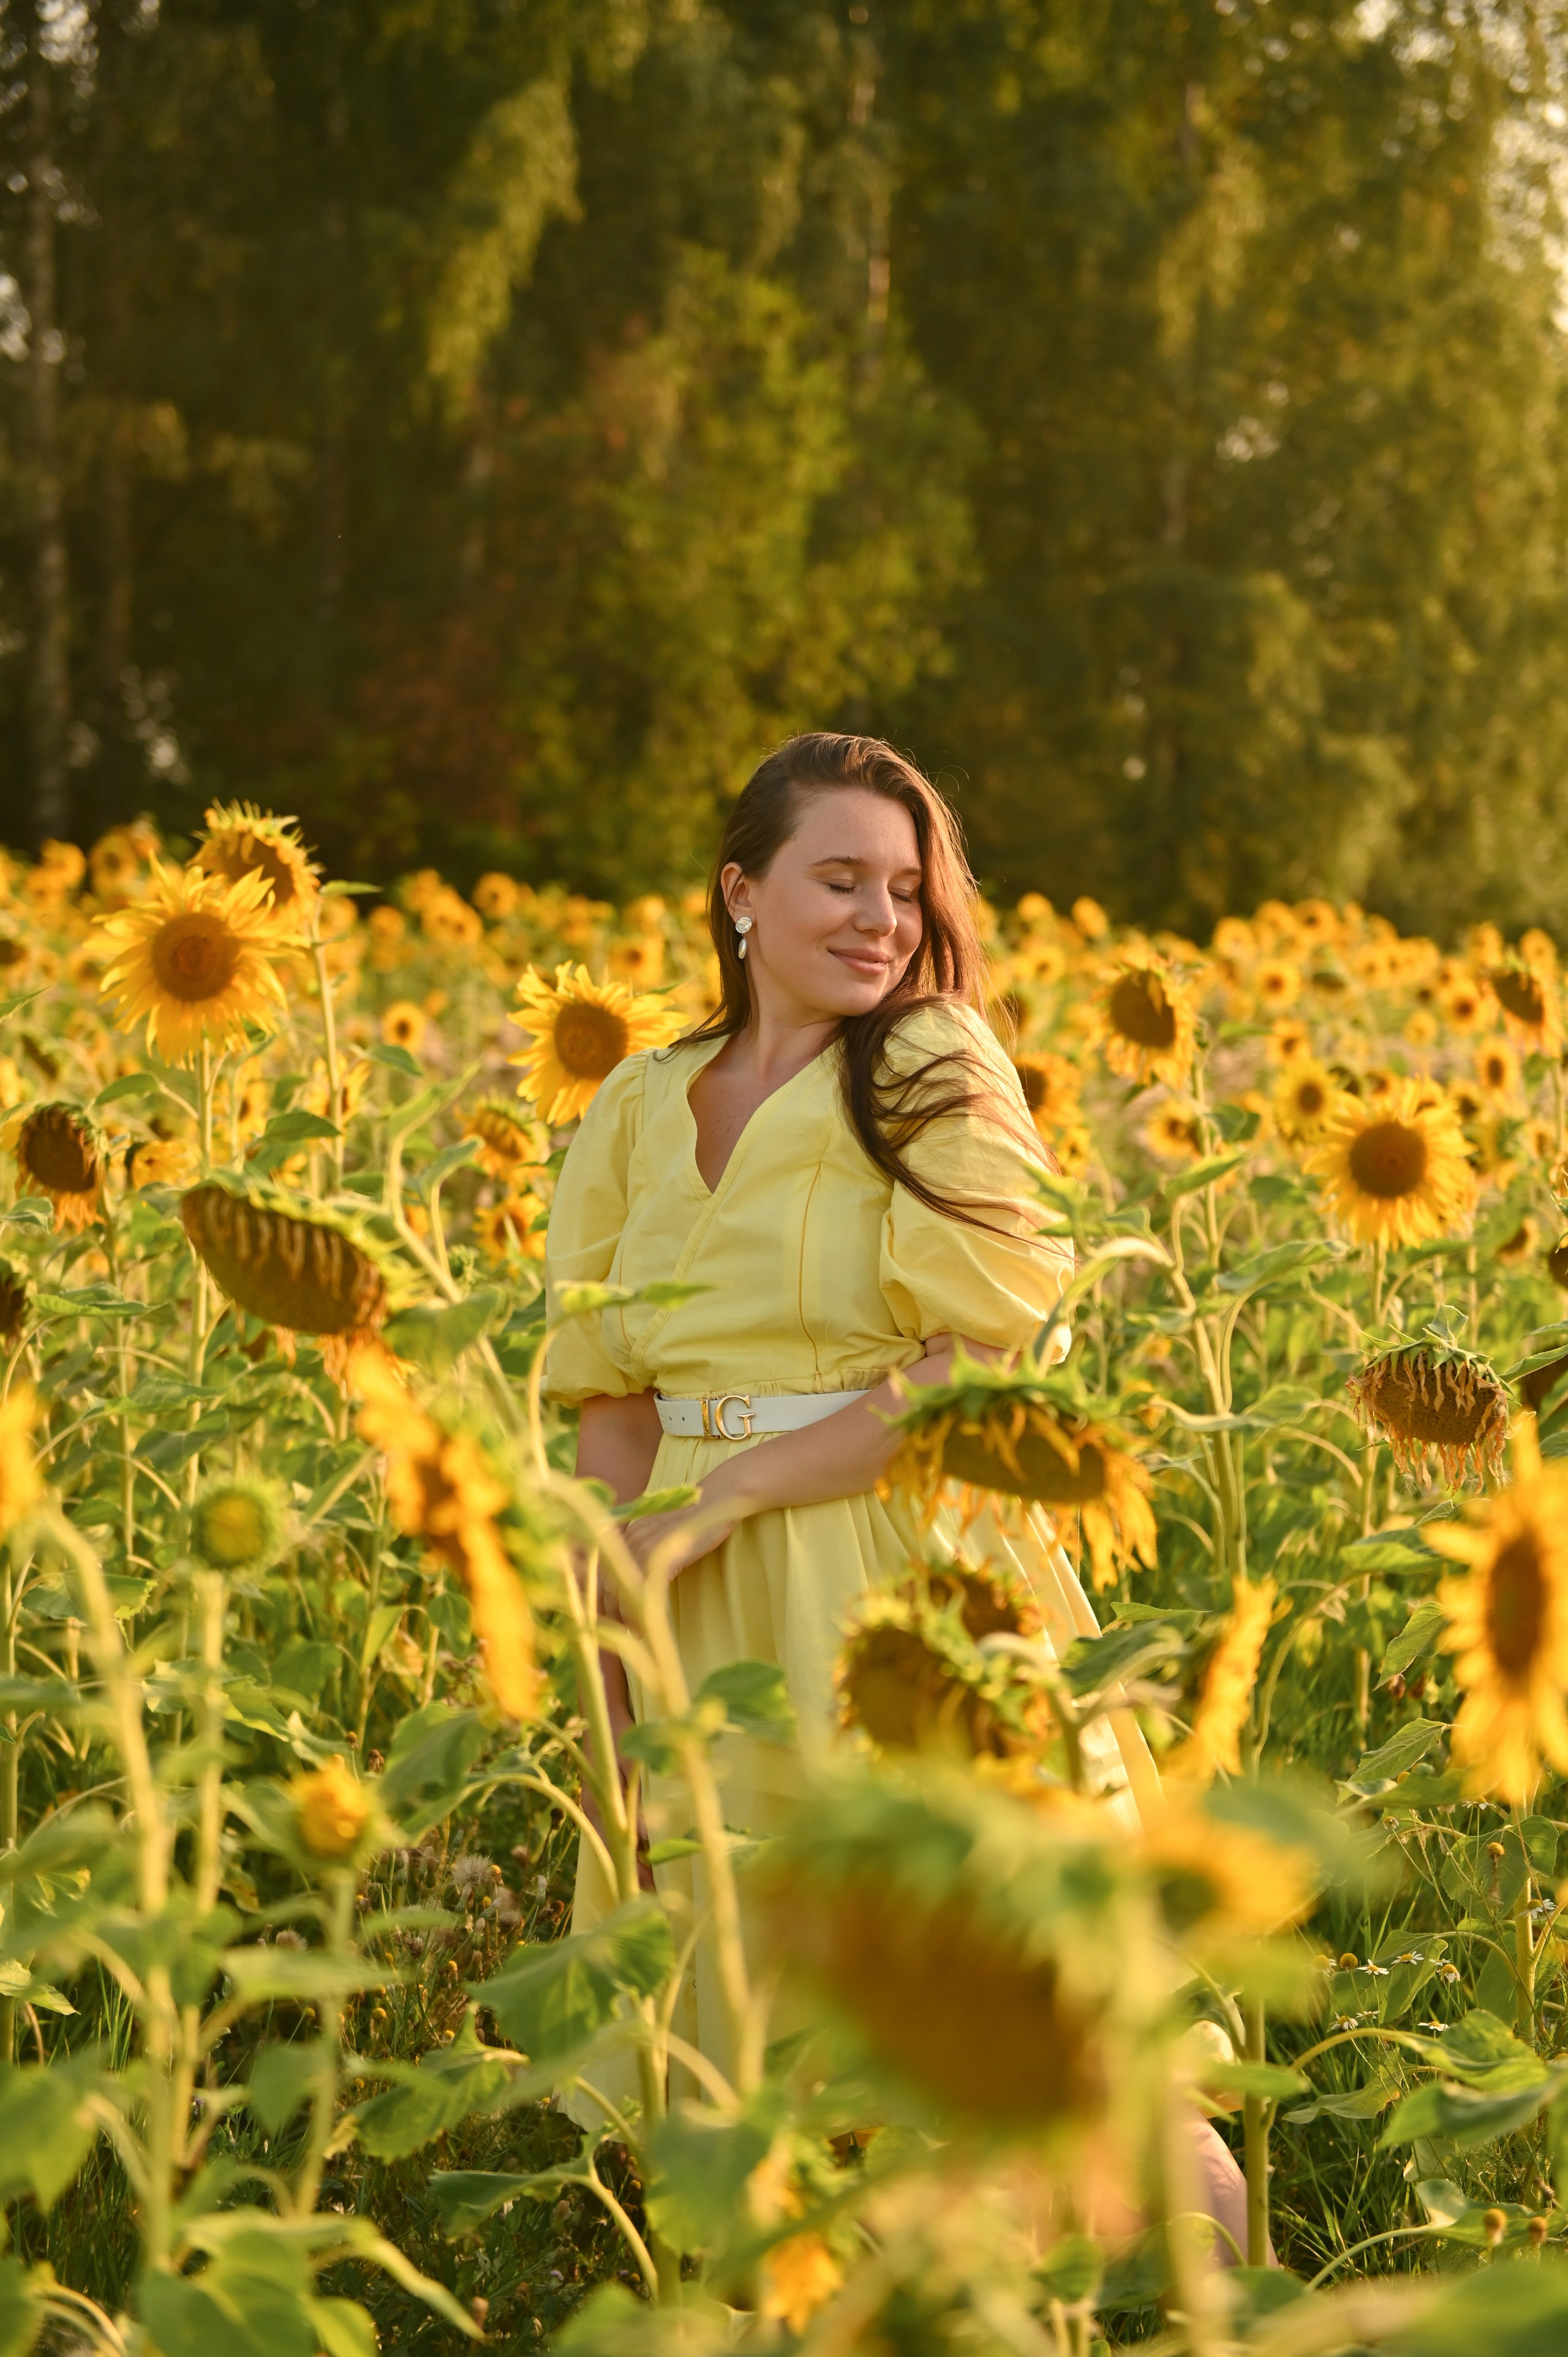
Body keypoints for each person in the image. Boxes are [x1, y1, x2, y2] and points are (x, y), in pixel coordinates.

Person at [542, 731, 1248, 2254]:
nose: (879, 918)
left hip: (896, 1570)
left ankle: (1229, 2317)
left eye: (905, 890)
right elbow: (606, 1383)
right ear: (740, 891)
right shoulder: (638, 1098)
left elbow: (970, 1366)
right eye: (839, 879)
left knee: (1023, 1996)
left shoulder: (928, 1061)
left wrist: (724, 1498)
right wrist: (612, 1602)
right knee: (751, 2035)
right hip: (690, 1591)